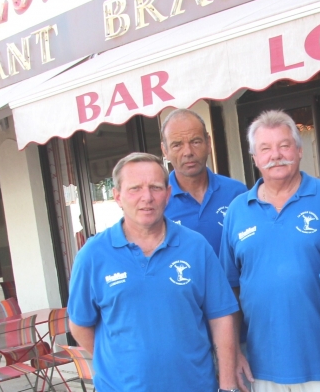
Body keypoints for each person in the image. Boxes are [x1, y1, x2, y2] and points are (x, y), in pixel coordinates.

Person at [67, 152, 240, 392]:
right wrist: (119, 361)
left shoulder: (196, 247)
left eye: (155, 188)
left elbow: (221, 318)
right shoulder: (93, 255)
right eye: (135, 188)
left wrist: (228, 385)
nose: (146, 197)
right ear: (117, 196)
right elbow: (79, 324)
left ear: (168, 195)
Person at [220, 110, 320, 392]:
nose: (275, 155)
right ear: (254, 158)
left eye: (284, 145)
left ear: (299, 150)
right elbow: (229, 293)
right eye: (265, 148)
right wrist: (235, 354)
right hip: (261, 368)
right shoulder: (237, 211)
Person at [162, 108, 247, 256]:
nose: (188, 152)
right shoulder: (157, 202)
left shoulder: (237, 193)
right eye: (177, 145)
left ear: (208, 143)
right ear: (165, 151)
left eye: (195, 142)